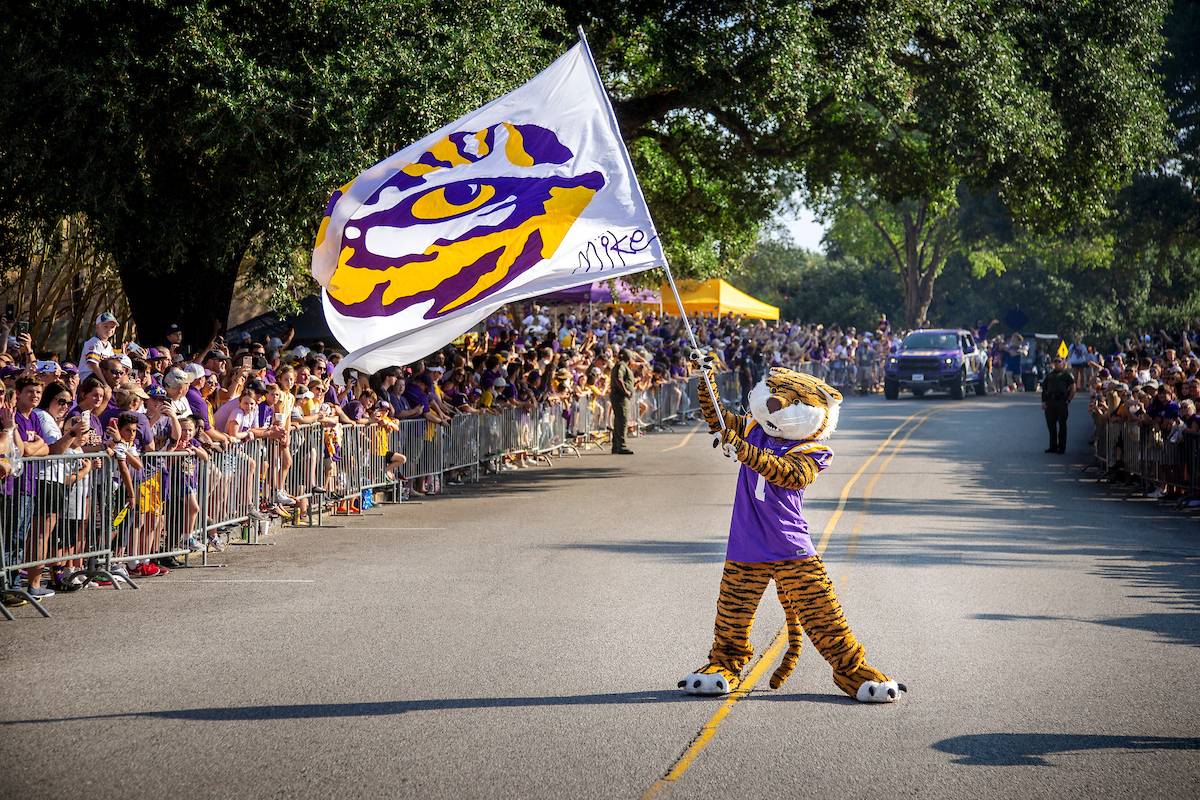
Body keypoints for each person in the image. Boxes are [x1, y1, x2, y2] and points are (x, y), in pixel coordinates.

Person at [1041, 355, 1076, 454]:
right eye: (1055, 361)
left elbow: (1073, 387)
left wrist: (1069, 400)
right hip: (1050, 402)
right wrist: (1043, 402)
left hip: (1061, 402)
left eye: (1059, 361)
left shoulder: (1066, 375)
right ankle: (1053, 446)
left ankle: (1061, 447)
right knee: (1051, 426)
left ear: (1063, 363)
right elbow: (1044, 389)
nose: (1056, 363)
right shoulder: (1049, 375)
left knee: (1062, 426)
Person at [609, 348, 635, 455]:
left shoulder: (622, 366)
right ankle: (621, 445)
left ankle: (616, 445)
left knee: (618, 421)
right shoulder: (621, 366)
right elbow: (619, 379)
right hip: (620, 397)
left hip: (619, 396)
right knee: (623, 420)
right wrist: (626, 391)